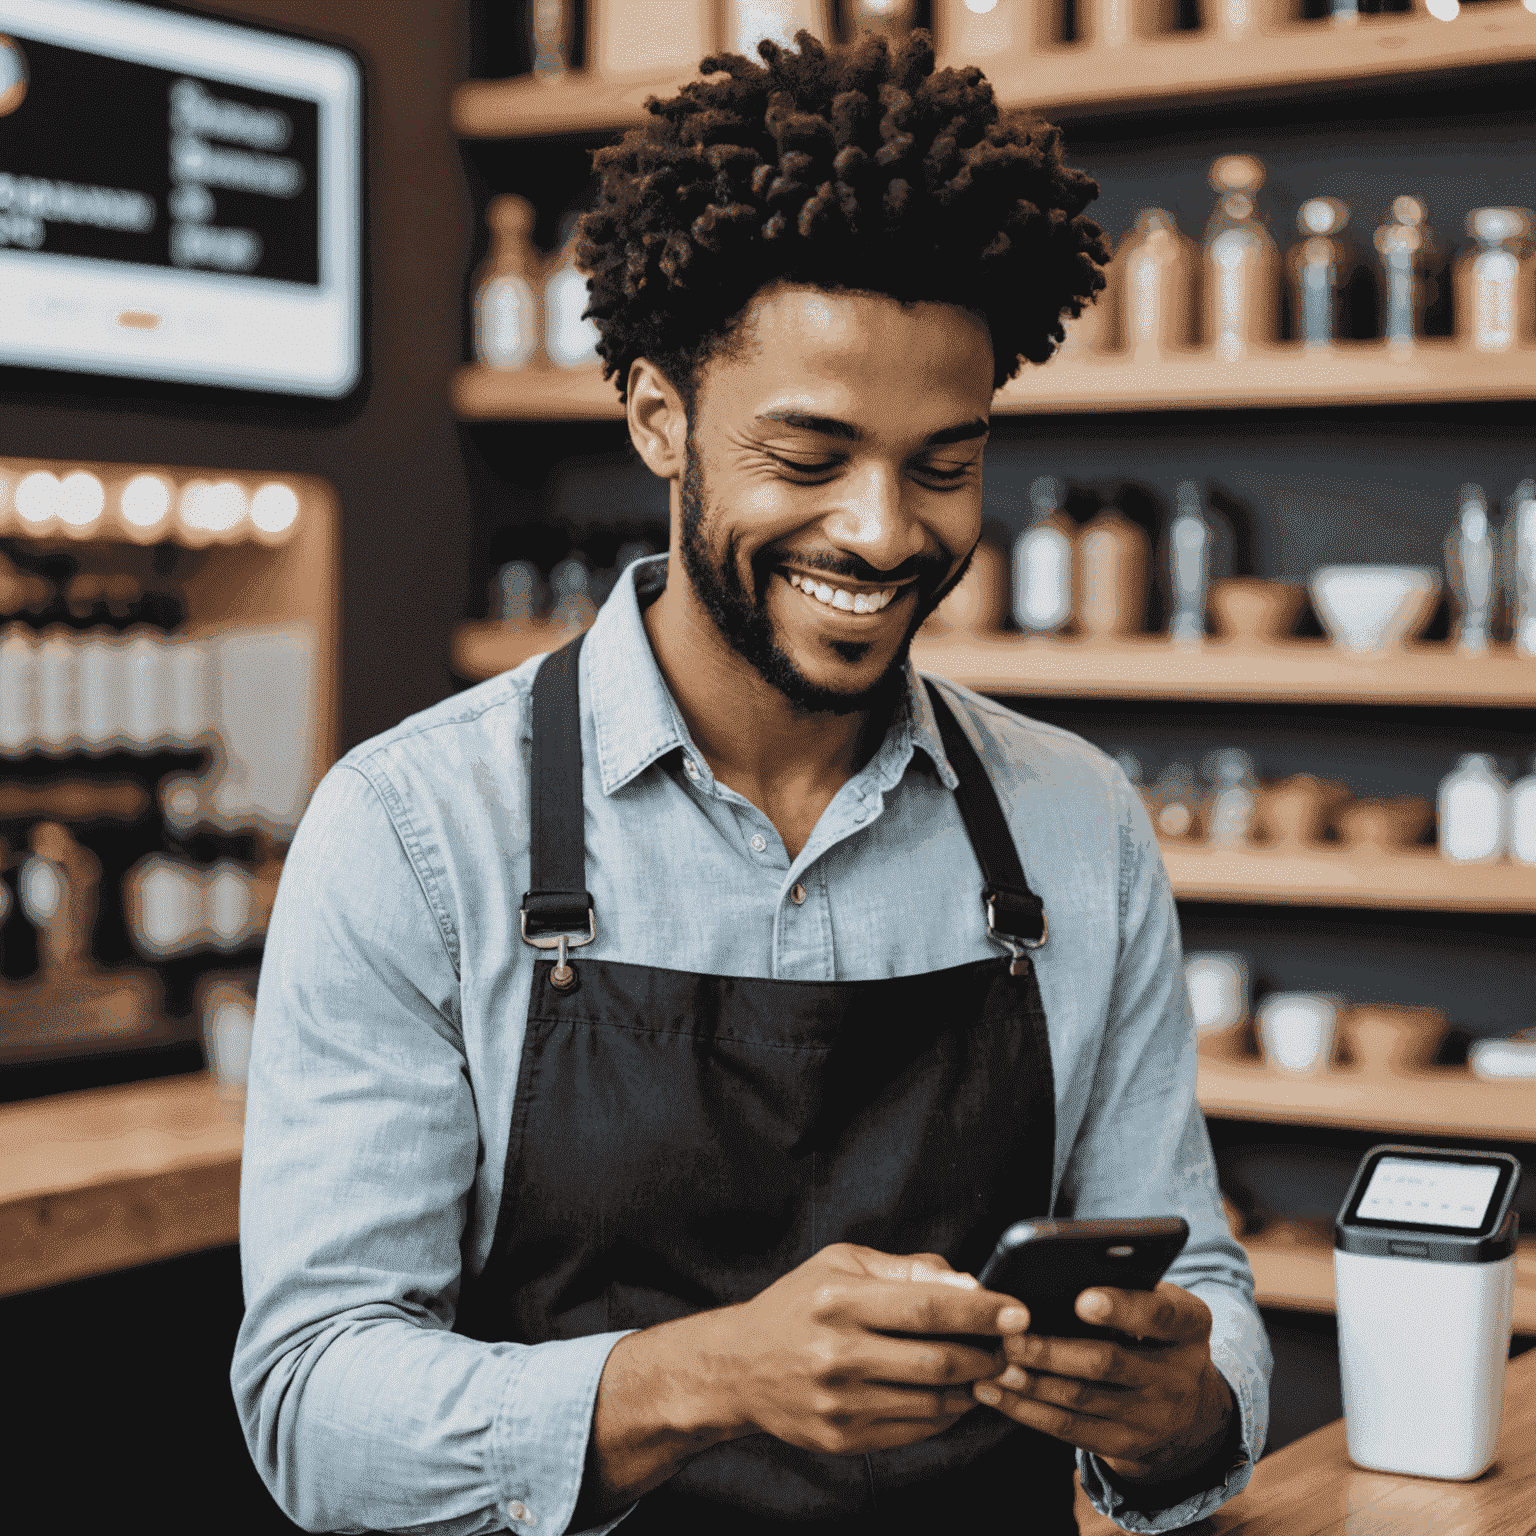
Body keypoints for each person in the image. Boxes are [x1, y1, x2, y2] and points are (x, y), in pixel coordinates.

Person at [233, 28, 1271, 1536]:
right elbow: (316, 1413)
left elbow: (1209, 1301)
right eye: (810, 454)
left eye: (942, 463)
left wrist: (1183, 1406)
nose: (881, 532)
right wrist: (702, 1378)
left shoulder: (1074, 822)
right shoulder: (412, 831)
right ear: (659, 418)